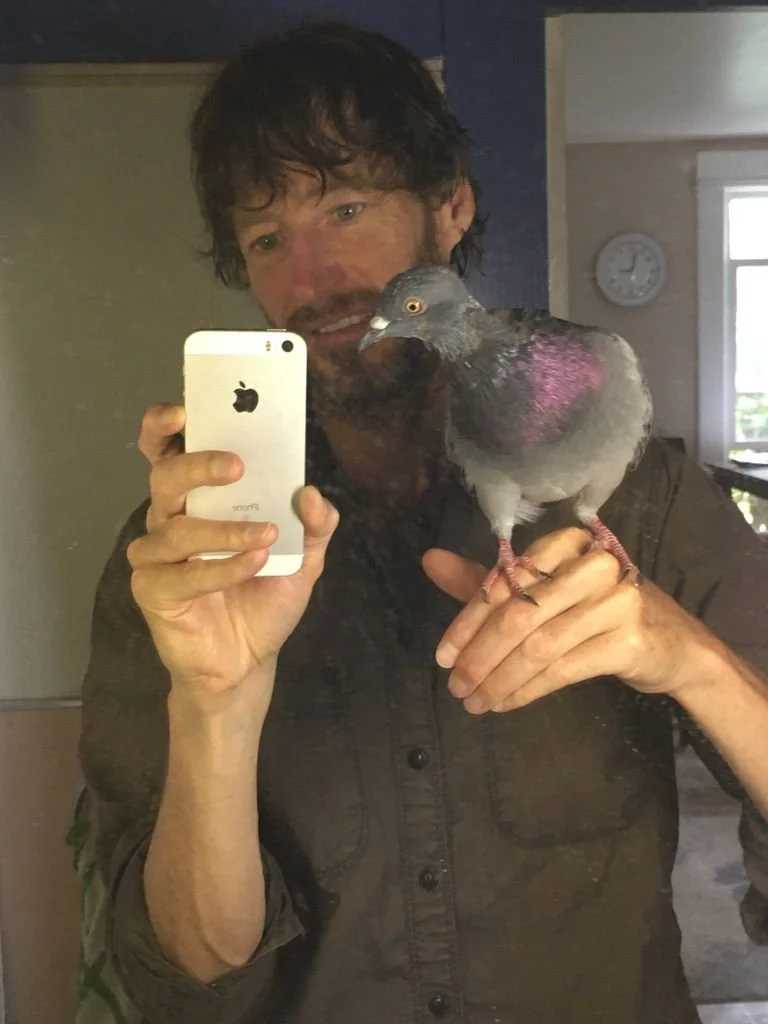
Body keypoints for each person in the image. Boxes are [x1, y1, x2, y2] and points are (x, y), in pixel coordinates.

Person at [76, 19, 768, 1024]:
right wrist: (214, 705)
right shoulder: (183, 565)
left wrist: (685, 653)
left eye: (347, 208)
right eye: (268, 239)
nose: (309, 279)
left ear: (450, 209)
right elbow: (186, 974)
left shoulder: (640, 497)